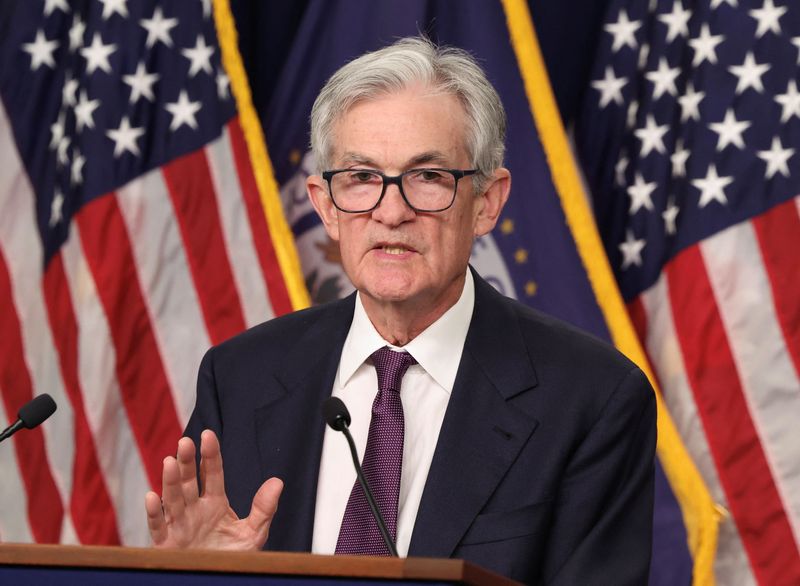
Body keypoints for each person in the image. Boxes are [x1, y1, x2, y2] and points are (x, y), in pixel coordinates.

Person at [144, 37, 655, 584]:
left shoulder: (592, 399)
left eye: (428, 177)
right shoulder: (239, 376)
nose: (391, 211)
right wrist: (194, 575)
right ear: (325, 206)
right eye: (361, 177)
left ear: (487, 202)